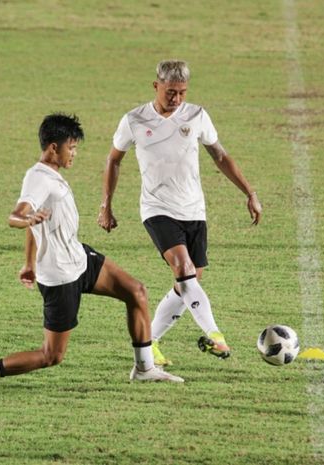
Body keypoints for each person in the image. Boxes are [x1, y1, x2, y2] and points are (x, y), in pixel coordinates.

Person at [0, 113, 183, 383]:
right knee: (51, 355)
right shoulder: (38, 178)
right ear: (54, 147)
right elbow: (17, 216)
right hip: (60, 277)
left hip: (79, 258)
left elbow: (38, 223)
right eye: (72, 147)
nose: (74, 153)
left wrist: (29, 262)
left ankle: (144, 369)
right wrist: (26, 219)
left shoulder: (52, 176)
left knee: (136, 291)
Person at [98, 60, 262, 366]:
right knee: (185, 272)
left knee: (188, 283)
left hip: (194, 210)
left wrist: (250, 192)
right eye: (171, 91)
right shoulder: (134, 119)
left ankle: (151, 343)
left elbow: (220, 155)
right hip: (157, 208)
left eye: (182, 92)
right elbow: (114, 160)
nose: (176, 98)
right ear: (156, 86)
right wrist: (106, 204)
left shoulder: (197, 115)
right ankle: (216, 336)